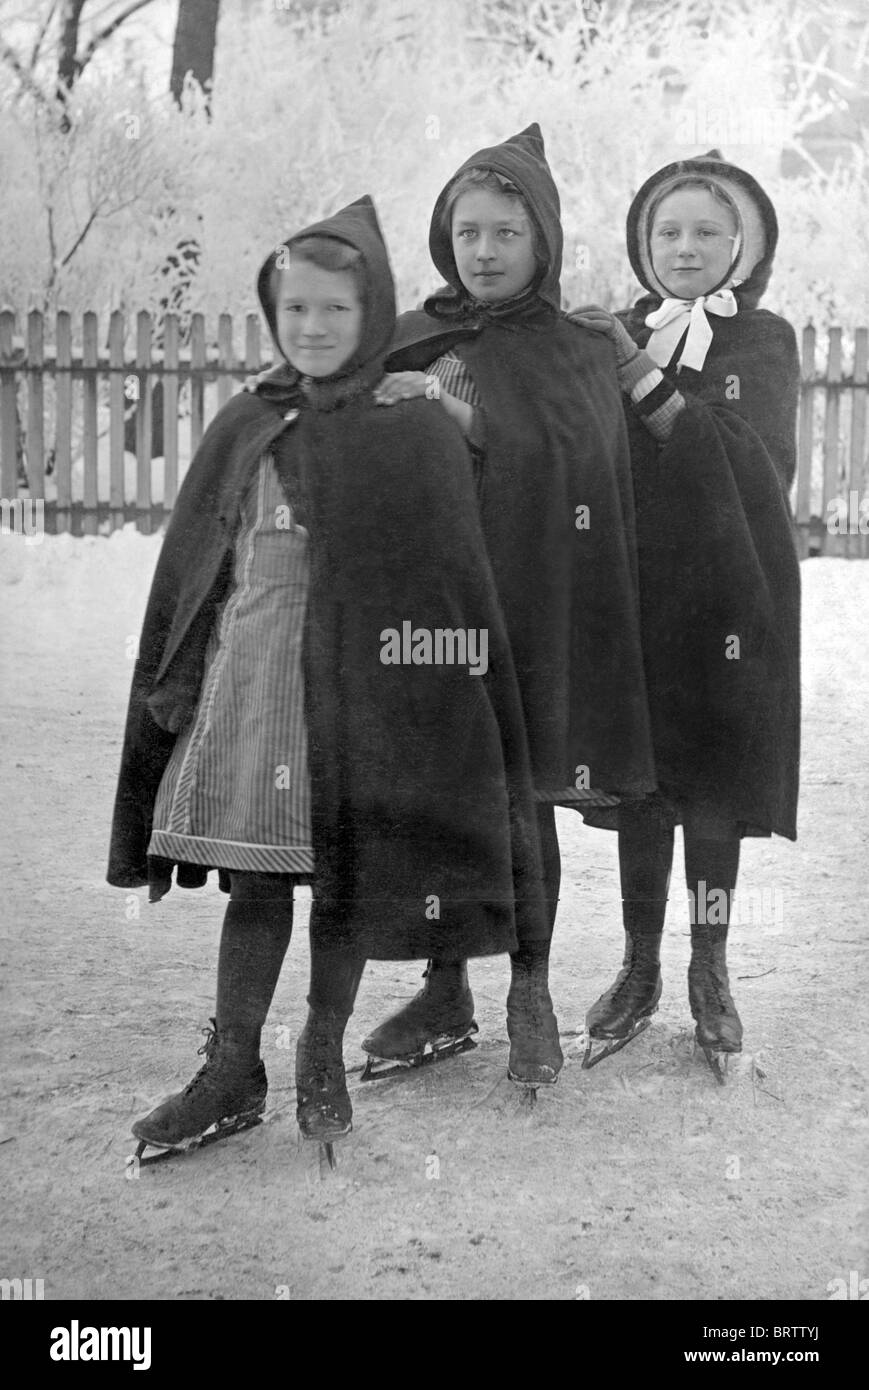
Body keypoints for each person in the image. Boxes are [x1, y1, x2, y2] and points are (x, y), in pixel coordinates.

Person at [107, 194, 548, 1157]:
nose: (312, 327)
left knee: (343, 877)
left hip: (363, 698)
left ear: (373, 315)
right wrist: (180, 688)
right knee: (255, 879)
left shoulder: (405, 422)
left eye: (336, 311)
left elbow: (449, 574)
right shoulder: (247, 419)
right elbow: (196, 574)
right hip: (256, 688)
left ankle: (320, 1047)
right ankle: (232, 1065)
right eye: (294, 307)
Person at [364, 123, 656, 1087]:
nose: (480, 252)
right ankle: (445, 989)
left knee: (523, 806)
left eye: (503, 234)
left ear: (544, 243)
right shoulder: (412, 332)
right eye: (465, 232)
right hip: (432, 610)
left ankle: (527, 990)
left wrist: (457, 419)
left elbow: (576, 465)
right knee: (441, 802)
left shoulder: (571, 347)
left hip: (530, 611)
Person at [572, 151, 801, 1079]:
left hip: (732, 591)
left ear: (741, 246)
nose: (686, 247)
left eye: (708, 231)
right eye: (668, 230)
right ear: (642, 243)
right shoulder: (621, 329)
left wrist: (635, 374)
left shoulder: (762, 342)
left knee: (711, 788)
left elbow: (746, 461)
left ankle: (709, 966)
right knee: (641, 786)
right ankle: (638, 965)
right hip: (636, 590)